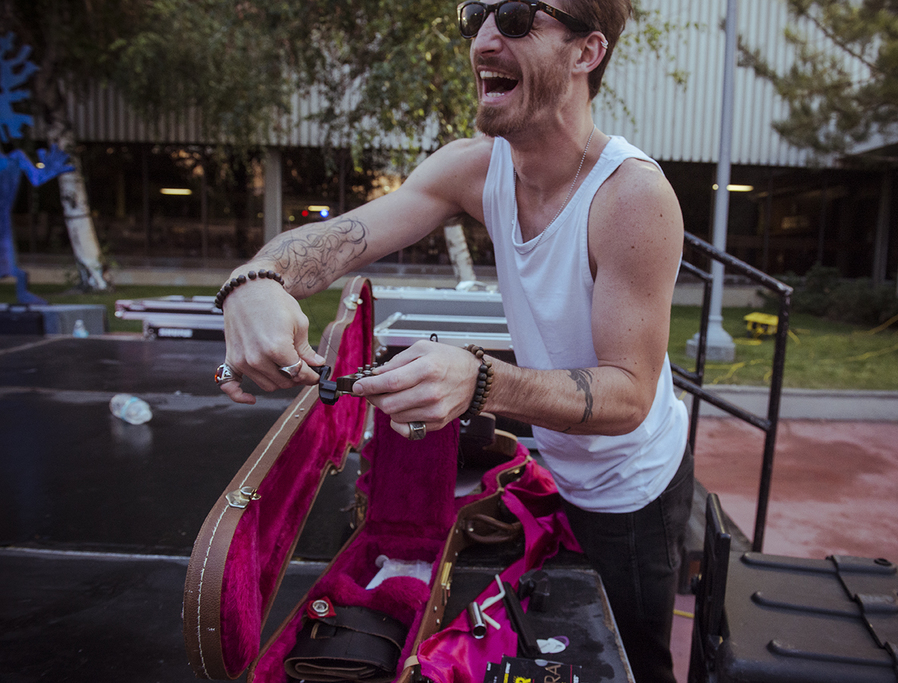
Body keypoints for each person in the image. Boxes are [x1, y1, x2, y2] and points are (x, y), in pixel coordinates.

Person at [214, 1, 692, 680]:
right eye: (478, 16)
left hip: (632, 491)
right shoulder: (473, 166)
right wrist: (256, 280)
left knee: (630, 664)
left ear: (587, 52)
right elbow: (342, 239)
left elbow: (629, 396)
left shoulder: (632, 197)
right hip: (565, 463)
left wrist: (478, 377)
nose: (485, 39)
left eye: (517, 16)